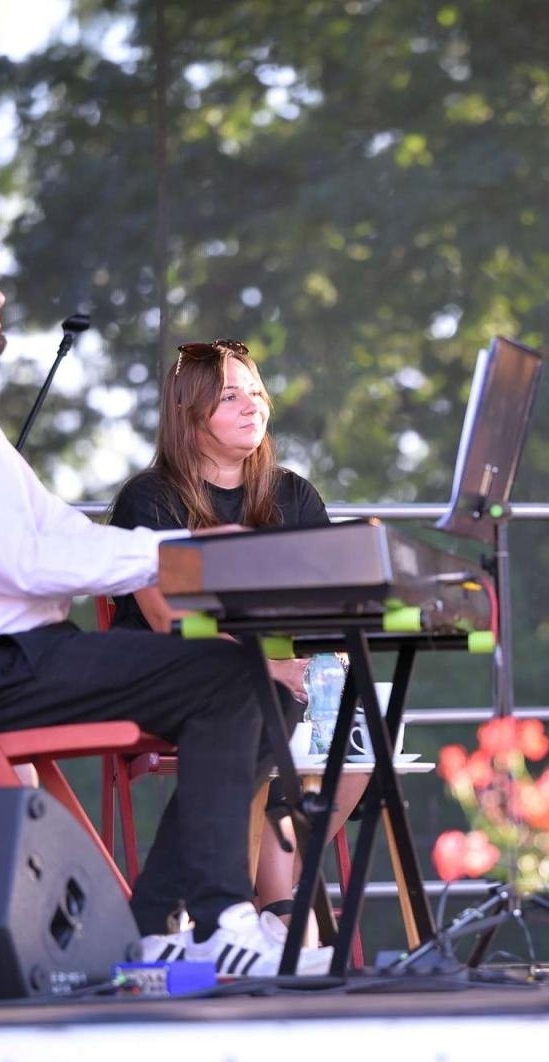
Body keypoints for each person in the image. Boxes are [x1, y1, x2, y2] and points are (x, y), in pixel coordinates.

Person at [0, 205, 329, 976]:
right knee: (232, 676)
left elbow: (57, 531)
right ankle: (215, 921)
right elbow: (22, 563)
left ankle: (157, 927)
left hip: (29, 659)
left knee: (249, 685)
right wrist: (181, 555)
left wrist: (183, 551)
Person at [109, 338, 367, 942]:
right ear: (188, 412)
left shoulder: (294, 495)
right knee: (259, 708)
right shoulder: (150, 499)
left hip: (280, 678)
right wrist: (272, 670)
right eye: (230, 395)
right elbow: (165, 618)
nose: (252, 406)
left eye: (256, 392)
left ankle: (271, 890)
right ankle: (279, 908)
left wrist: (326, 668)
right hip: (167, 676)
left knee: (360, 722)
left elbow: (329, 613)